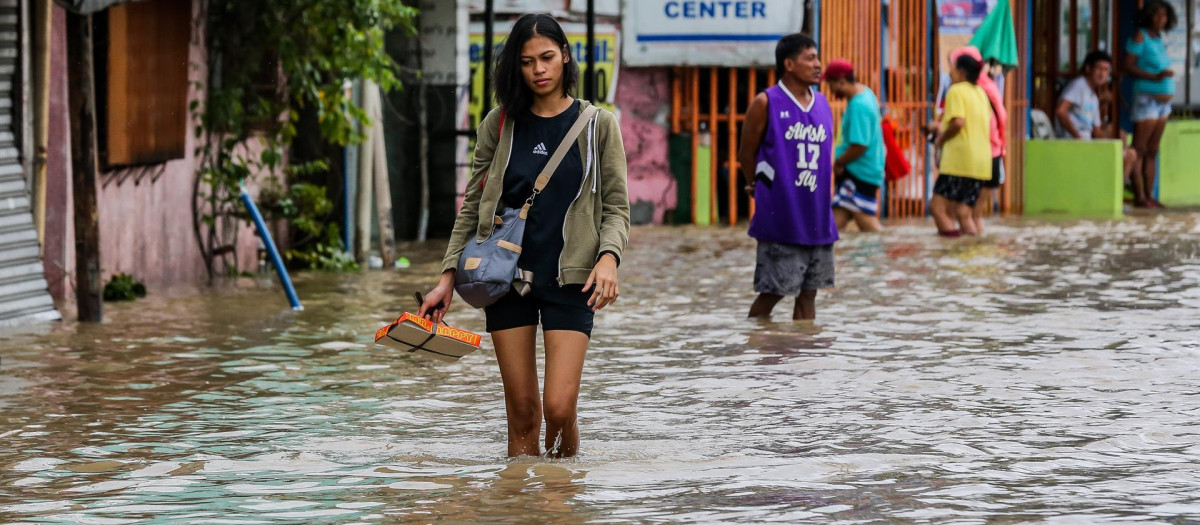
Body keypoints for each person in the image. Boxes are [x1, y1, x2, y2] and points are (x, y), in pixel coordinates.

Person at [418, 13, 629, 459]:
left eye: (547, 57)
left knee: (557, 406)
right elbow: (472, 208)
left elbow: (616, 206)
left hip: (571, 281)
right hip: (505, 279)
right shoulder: (500, 123)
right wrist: (447, 277)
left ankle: (563, 492)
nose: (539, 69)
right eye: (528, 61)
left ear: (565, 56)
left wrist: (609, 256)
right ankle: (522, 503)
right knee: (522, 412)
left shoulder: (598, 125)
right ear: (516, 65)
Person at [738, 33, 839, 321]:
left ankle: (804, 358)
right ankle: (756, 347)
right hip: (781, 218)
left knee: (810, 294)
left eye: (818, 57)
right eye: (811, 58)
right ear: (789, 64)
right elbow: (746, 154)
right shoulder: (766, 102)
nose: (818, 64)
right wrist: (755, 185)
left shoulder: (822, 103)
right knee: (773, 292)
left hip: (819, 219)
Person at [1056, 50, 1140, 186]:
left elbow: (1096, 132)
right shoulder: (1079, 85)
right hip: (1072, 143)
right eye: (1099, 69)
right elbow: (1061, 111)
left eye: (1106, 70)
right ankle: (1116, 196)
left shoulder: (1093, 97)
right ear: (1088, 68)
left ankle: (1115, 193)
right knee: (1130, 155)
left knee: (1128, 150)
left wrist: (1115, 144)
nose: (1102, 74)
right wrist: (1077, 136)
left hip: (1088, 143)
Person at [931, 52, 991, 237]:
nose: (950, 72)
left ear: (962, 72)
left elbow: (958, 122)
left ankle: (951, 252)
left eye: (953, 67)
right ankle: (971, 250)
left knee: (937, 208)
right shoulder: (981, 92)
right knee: (963, 213)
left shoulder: (956, 90)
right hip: (981, 164)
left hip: (960, 162)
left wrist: (940, 140)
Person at [1124, 0, 1177, 208]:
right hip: (1147, 98)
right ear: (1148, 16)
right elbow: (1128, 65)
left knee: (1153, 150)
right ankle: (1139, 195)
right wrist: (1155, 78)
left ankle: (1150, 194)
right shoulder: (1141, 36)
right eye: (1156, 15)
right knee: (1140, 147)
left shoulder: (1160, 39)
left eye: (1164, 15)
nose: (1160, 19)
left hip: (1164, 103)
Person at [823, 59, 885, 233]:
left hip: (859, 171)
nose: (830, 90)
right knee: (835, 222)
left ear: (842, 81)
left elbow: (860, 145)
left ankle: (883, 255)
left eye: (830, 84)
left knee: (867, 222)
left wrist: (840, 162)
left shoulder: (859, 105)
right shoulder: (865, 94)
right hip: (860, 170)